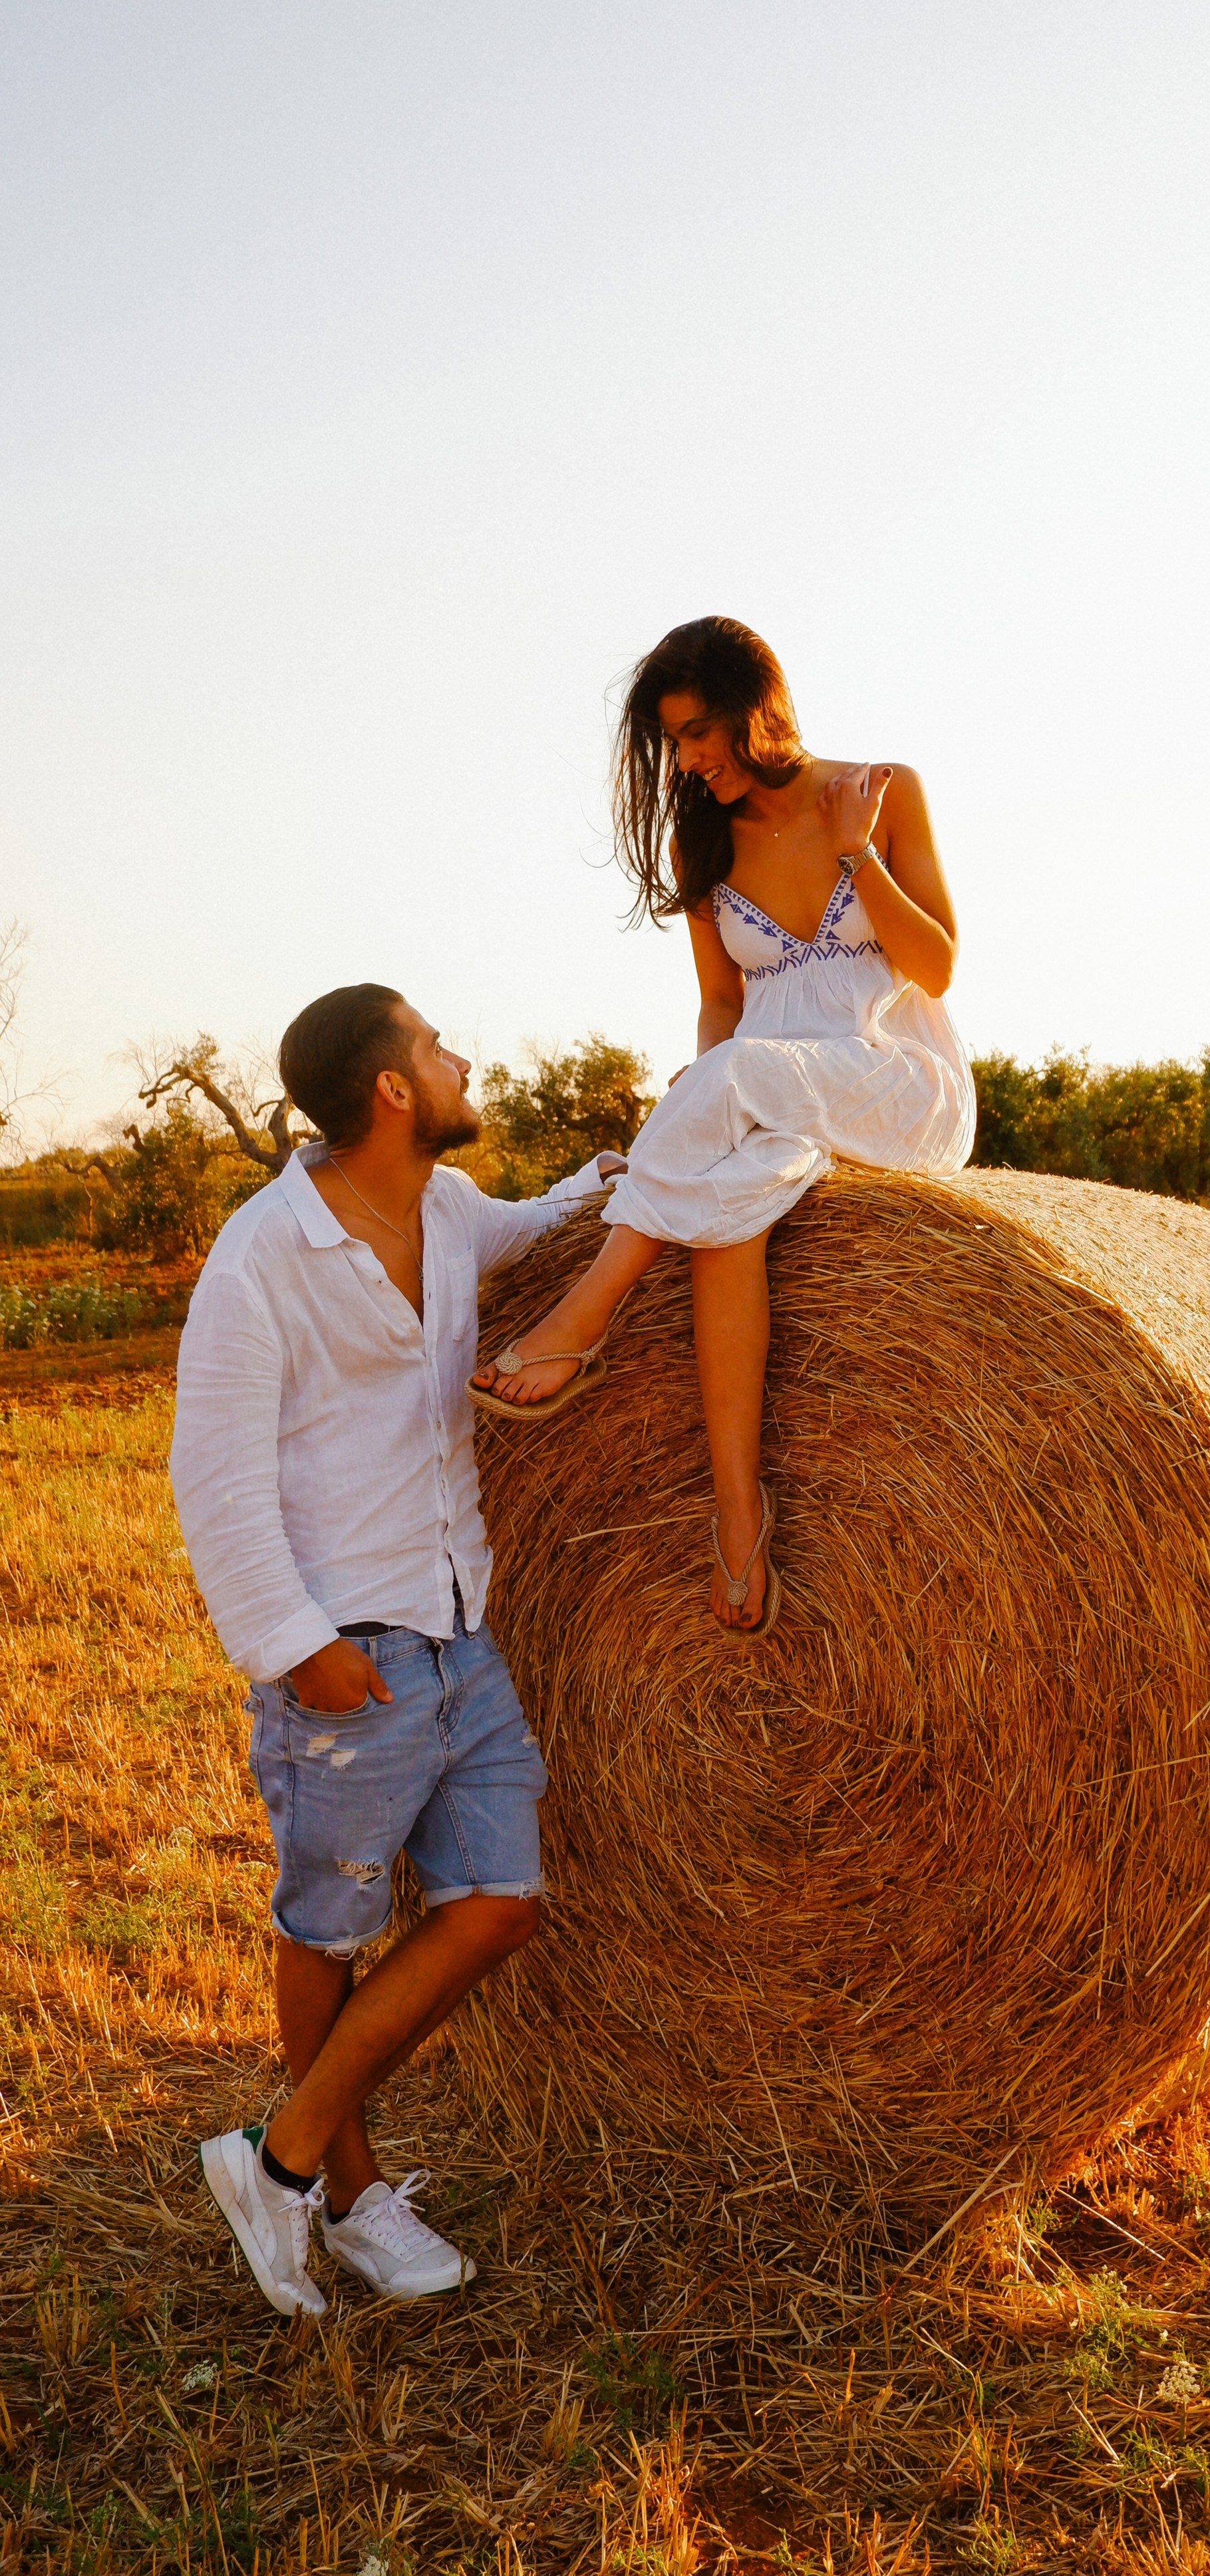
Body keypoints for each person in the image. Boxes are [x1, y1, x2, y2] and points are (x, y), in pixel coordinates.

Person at [171, 984, 621, 2318]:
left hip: (460, 1626)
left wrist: (645, 1168)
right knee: (331, 1925)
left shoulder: (445, 1211)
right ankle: (351, 2196)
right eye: (436, 1044)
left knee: (499, 1899)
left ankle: (283, 2156)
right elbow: (217, 1476)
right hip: (347, 1655)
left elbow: (551, 1224)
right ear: (387, 1088)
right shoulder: (264, 1258)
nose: (461, 1058)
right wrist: (297, 1646)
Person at [470, 615, 975, 1632]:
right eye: (675, 742)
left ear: (759, 709)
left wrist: (856, 857)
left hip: (895, 1086)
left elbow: (938, 966)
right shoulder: (698, 841)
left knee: (735, 1082)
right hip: (766, 1089)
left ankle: (584, 1314)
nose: (690, 760)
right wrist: (694, 1126)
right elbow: (722, 1011)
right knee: (721, 1222)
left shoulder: (880, 790)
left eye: (700, 732)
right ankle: (739, 1519)